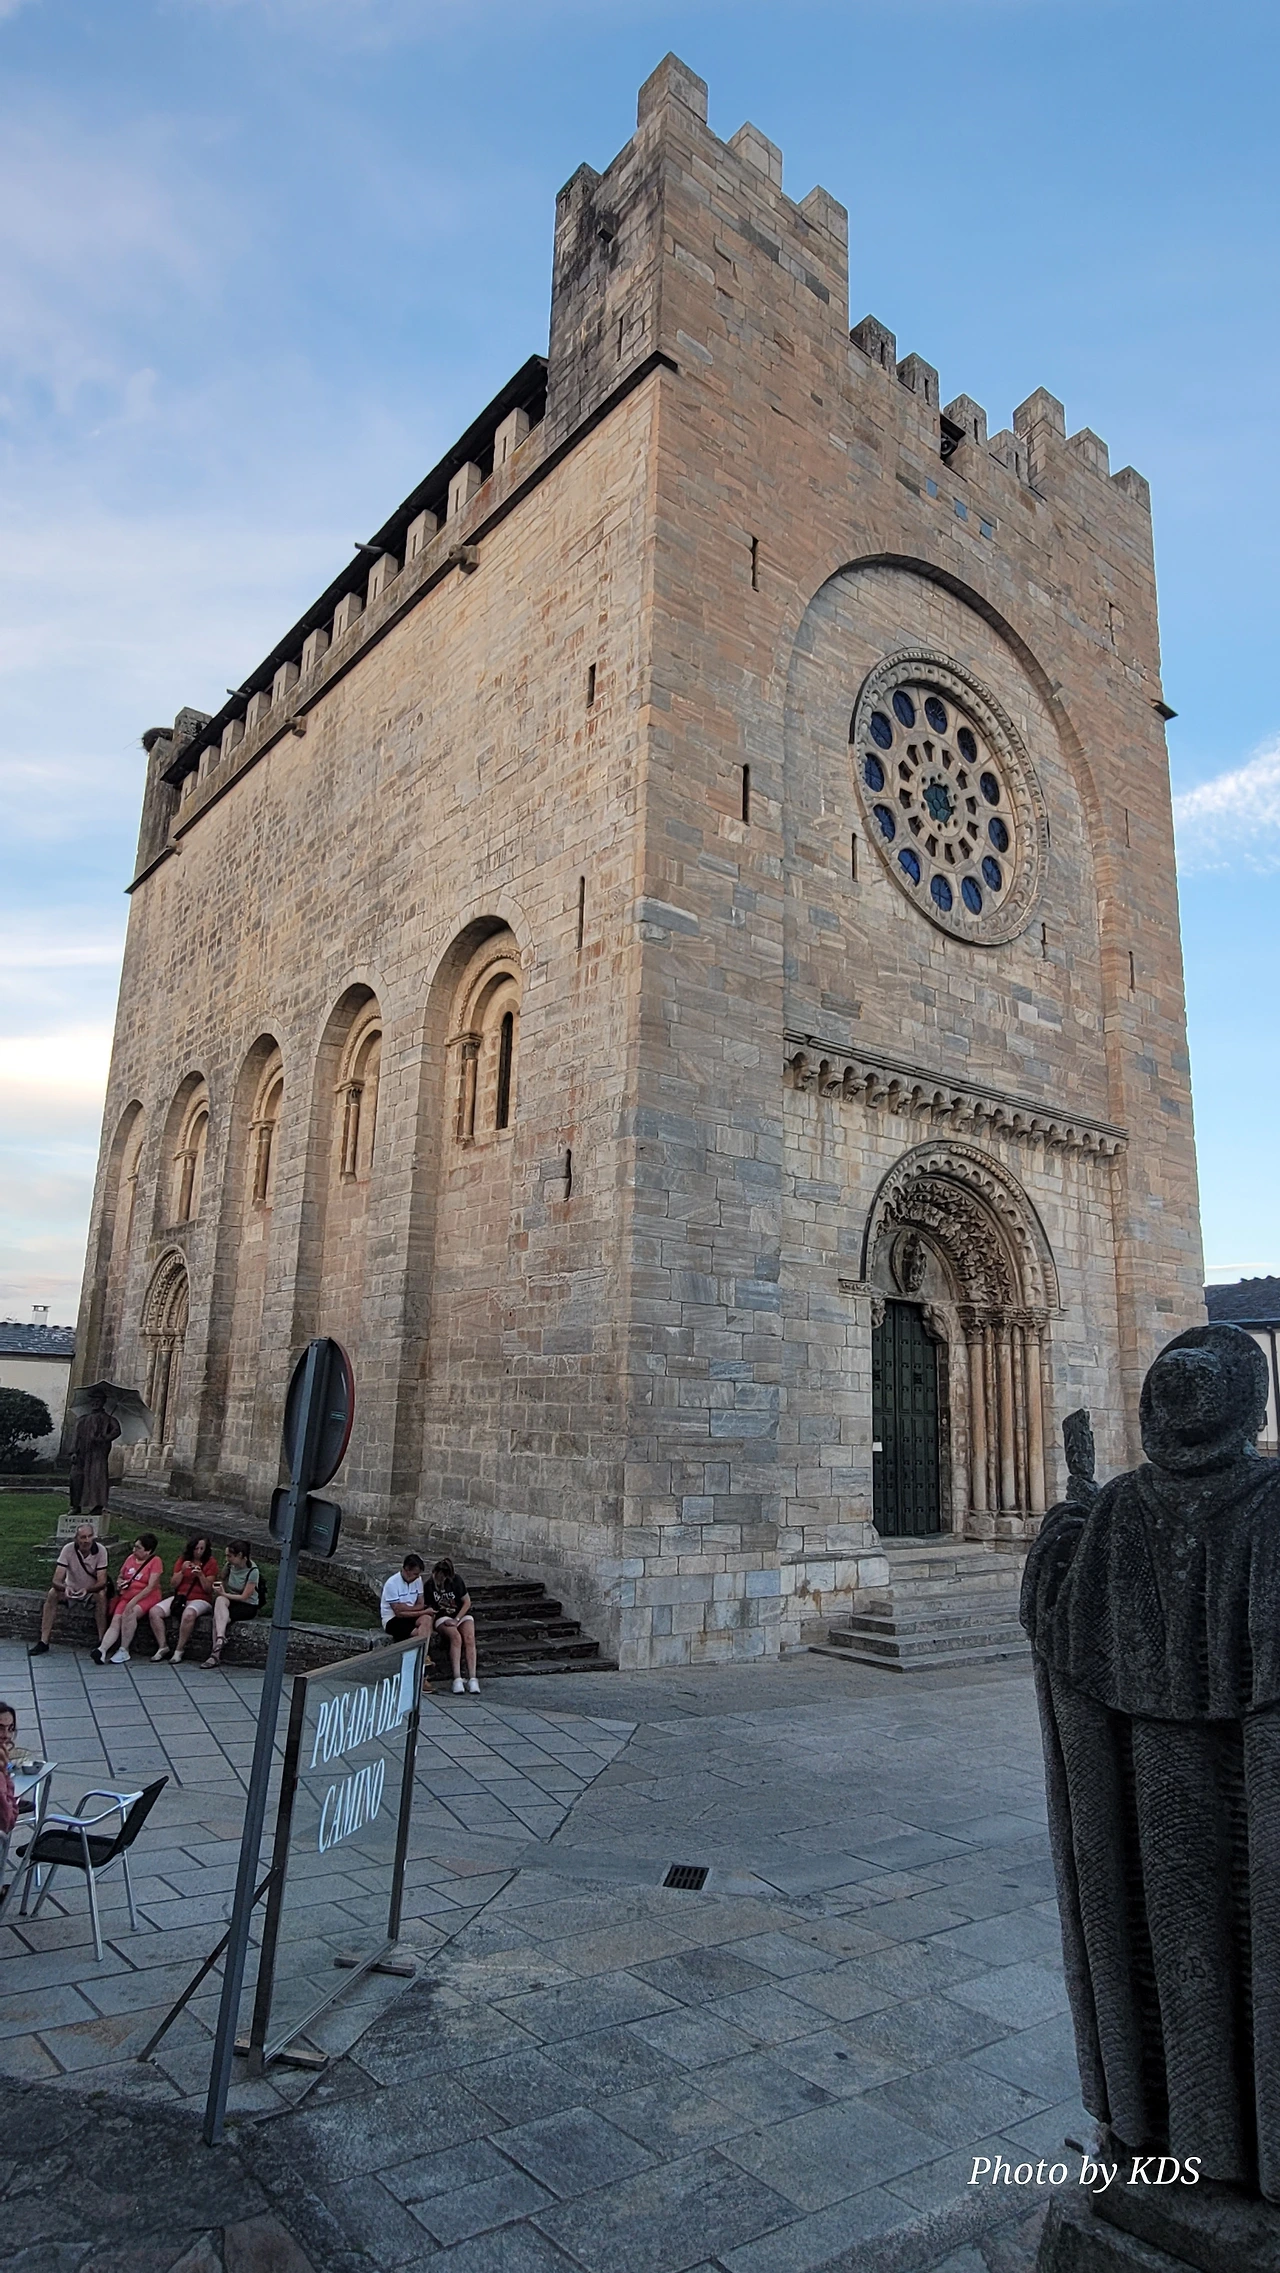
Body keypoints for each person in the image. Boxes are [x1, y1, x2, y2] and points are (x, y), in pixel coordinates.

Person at [29, 1522, 109, 1654]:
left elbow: (102, 1581)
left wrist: (87, 1590)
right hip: (71, 1588)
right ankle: (44, 1641)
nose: (87, 1540)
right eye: (83, 1537)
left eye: (89, 1536)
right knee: (52, 1594)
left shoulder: (101, 1550)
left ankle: (102, 1640)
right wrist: (65, 1587)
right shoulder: (68, 1549)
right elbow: (56, 1580)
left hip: (90, 1591)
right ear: (76, 1538)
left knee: (101, 1595)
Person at [92, 1533, 163, 1665]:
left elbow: (150, 1586)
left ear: (148, 1551)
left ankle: (124, 1649)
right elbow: (121, 1575)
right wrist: (120, 1582)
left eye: (138, 1548)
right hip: (127, 1595)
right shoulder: (130, 1558)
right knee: (116, 1620)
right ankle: (102, 1649)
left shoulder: (155, 1562)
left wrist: (133, 1602)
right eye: (134, 1547)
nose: (134, 1550)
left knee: (129, 1613)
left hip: (146, 1596)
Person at [150, 1534, 219, 1663]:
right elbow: (173, 1584)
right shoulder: (183, 1560)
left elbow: (208, 1589)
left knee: (189, 1614)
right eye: (196, 1548)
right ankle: (162, 1645)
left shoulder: (211, 1562)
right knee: (154, 1612)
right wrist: (182, 1571)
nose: (198, 1552)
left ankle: (179, 1649)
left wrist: (200, 1575)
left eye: (202, 1548)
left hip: (201, 1598)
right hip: (181, 1597)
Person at [202, 1540, 260, 1668]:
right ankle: (220, 1638)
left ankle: (215, 1655)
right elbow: (221, 1578)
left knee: (218, 1618)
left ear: (240, 1555)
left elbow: (244, 1597)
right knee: (219, 1602)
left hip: (247, 1605)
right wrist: (220, 1588)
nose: (227, 1559)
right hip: (232, 1599)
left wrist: (223, 1594)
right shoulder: (230, 1566)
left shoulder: (253, 1571)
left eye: (229, 1556)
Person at [426, 1558, 478, 1693]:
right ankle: (457, 1678)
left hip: (459, 1614)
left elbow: (467, 1602)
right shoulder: (429, 1586)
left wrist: (457, 1619)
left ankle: (473, 1677)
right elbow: (430, 1609)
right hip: (443, 1616)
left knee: (469, 1637)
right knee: (456, 1637)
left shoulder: (457, 1581)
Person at [68, 1393, 120, 1518]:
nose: (95, 1403)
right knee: (76, 1478)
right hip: (82, 1454)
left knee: (97, 1479)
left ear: (103, 1402)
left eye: (98, 1400)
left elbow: (116, 1431)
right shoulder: (82, 1419)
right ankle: (75, 1506)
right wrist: (73, 1452)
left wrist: (104, 1438)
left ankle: (97, 1506)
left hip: (98, 1454)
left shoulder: (109, 1419)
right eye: (93, 1400)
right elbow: (76, 1437)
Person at [380, 1553, 432, 1643]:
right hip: (393, 1619)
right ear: (407, 1570)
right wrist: (423, 1611)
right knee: (420, 1633)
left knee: (427, 1619)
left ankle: (422, 1650)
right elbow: (398, 1613)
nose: (418, 1577)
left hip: (410, 1616)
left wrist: (404, 1607)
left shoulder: (418, 1580)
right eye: (415, 1574)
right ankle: (422, 1650)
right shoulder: (392, 1583)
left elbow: (421, 1604)